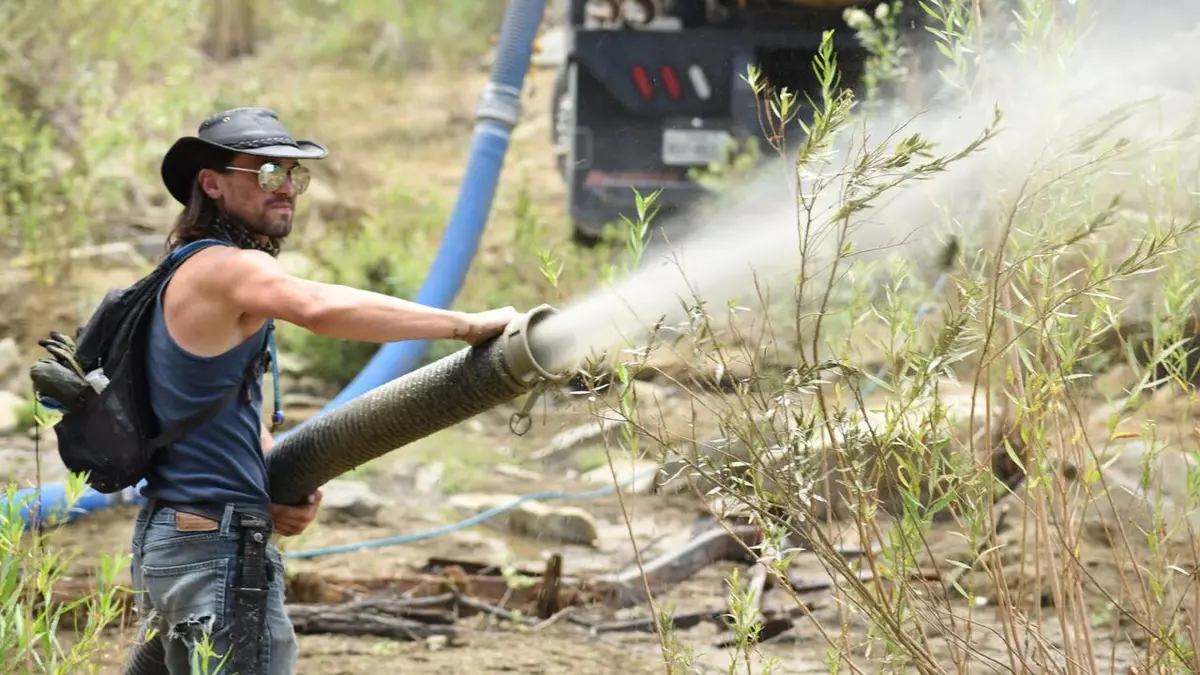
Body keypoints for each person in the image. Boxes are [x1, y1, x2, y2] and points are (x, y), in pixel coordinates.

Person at [126, 107, 519, 674]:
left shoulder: (178, 272)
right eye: (266, 173)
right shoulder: (226, 269)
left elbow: (221, 406)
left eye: (293, 174)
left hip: (178, 538)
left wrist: (270, 478)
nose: (286, 188)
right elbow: (319, 307)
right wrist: (468, 325)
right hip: (214, 549)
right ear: (211, 184)